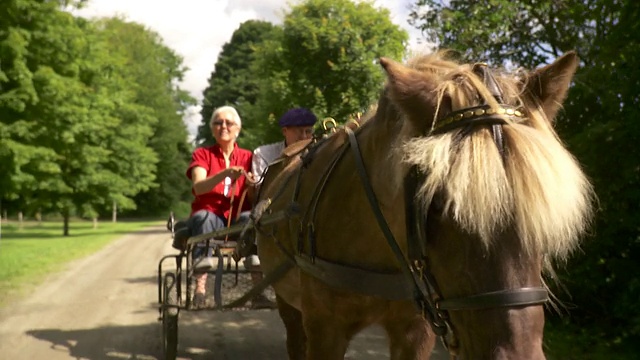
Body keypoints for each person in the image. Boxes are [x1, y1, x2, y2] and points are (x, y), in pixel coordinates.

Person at [185, 105, 254, 308]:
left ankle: (258, 287)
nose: (223, 126)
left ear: (237, 129)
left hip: (239, 216)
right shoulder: (202, 154)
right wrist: (223, 174)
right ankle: (200, 288)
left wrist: (251, 186)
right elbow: (199, 187)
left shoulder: (248, 157)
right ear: (212, 129)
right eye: (218, 122)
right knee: (202, 217)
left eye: (229, 122)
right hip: (211, 216)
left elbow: (255, 195)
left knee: (254, 219)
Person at [243, 108, 317, 293]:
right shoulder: (265, 153)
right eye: (299, 131)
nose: (304, 136)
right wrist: (252, 186)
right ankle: (259, 280)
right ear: (285, 131)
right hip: (272, 209)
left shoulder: (319, 150)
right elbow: (259, 192)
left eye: (308, 131)